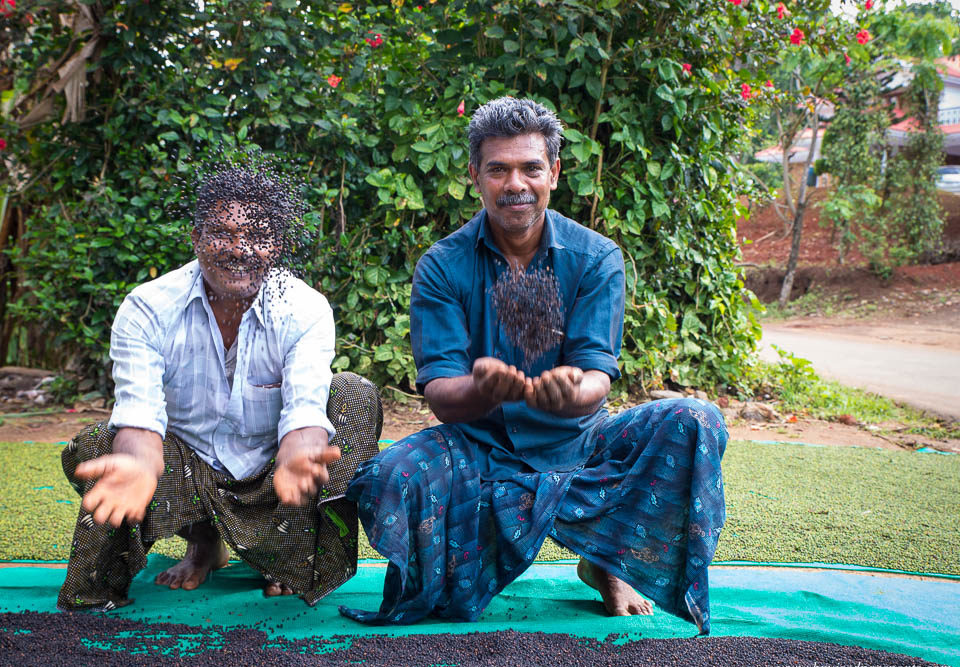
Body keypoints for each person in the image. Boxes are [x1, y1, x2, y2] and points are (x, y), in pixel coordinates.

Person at [340, 98, 727, 634]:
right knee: (390, 473)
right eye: (498, 169)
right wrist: (485, 390)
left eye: (530, 168)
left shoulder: (595, 257)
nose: (514, 183)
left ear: (555, 174)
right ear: (475, 175)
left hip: (581, 445)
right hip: (480, 448)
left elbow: (595, 374)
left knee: (695, 421)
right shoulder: (442, 266)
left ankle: (607, 561)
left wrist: (573, 393)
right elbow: (440, 396)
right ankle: (452, 581)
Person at [57, 164, 382, 611]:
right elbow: (140, 416)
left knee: (354, 396)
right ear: (196, 238)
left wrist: (298, 451)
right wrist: (137, 462)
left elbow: (306, 408)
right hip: (187, 474)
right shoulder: (148, 308)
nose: (239, 249)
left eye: (257, 235)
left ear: (278, 246)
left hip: (273, 478)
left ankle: (284, 559)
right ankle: (203, 544)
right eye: (221, 233)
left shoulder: (305, 309)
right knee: (97, 445)